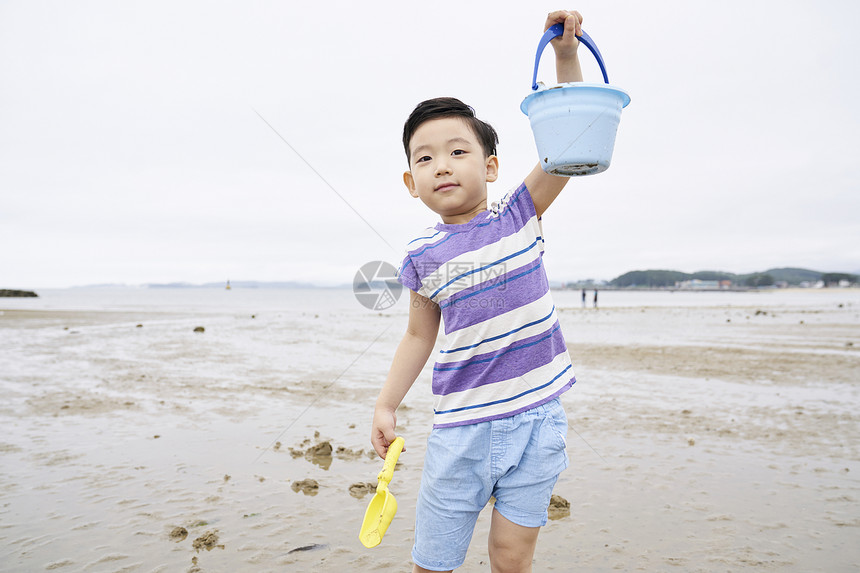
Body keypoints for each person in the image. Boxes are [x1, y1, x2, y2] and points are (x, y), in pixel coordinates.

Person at [370, 10, 585, 572]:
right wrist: (387, 402)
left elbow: (572, 133)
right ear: (410, 181)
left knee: (512, 556)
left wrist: (564, 57)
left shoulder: (519, 213)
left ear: (490, 166)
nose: (442, 164)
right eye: (425, 157)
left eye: (458, 151)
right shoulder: (422, 257)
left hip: (539, 423)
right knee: (433, 561)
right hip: (460, 432)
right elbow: (419, 335)